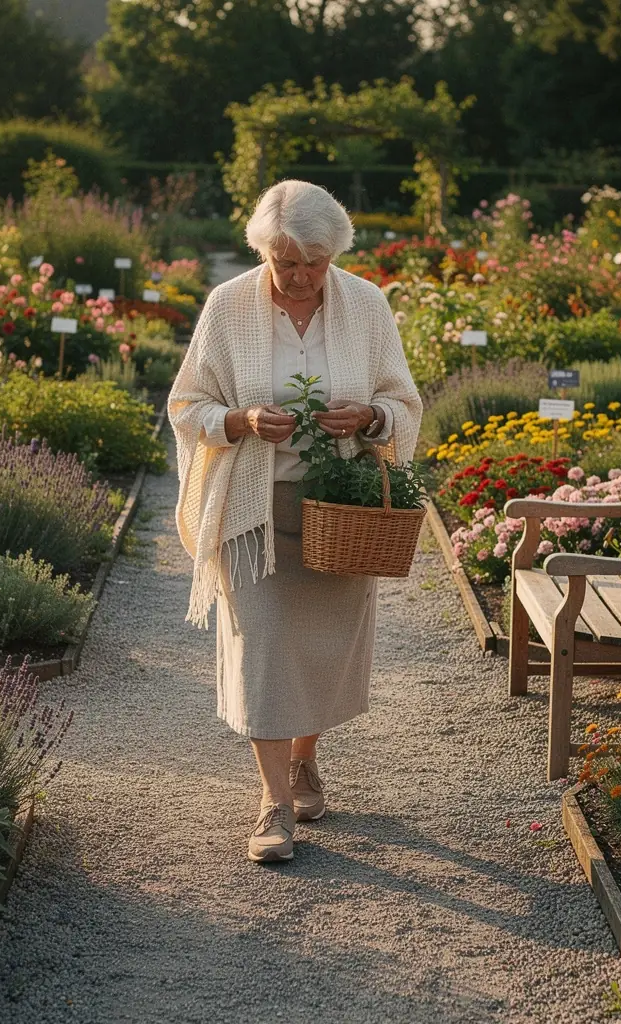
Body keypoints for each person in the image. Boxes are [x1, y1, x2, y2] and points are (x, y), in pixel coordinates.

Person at [169, 180, 422, 863]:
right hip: (254, 510)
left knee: (321, 650)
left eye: (314, 261)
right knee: (263, 650)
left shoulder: (367, 304)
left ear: (334, 254)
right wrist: (239, 420)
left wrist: (370, 417)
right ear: (264, 252)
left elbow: (403, 401)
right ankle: (273, 803)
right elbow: (186, 405)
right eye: (287, 262)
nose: (302, 275)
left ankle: (306, 760)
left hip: (341, 512)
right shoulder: (228, 306)